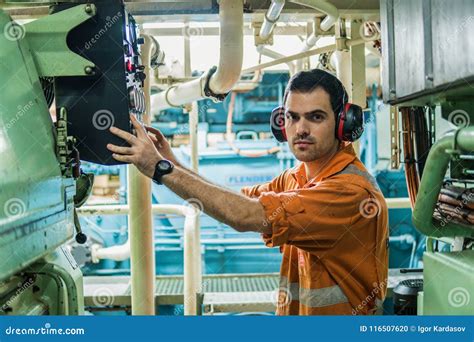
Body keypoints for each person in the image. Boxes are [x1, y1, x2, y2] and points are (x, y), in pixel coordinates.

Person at [107, 69, 388, 315]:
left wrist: (159, 168)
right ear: (281, 122)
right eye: (292, 117)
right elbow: (236, 199)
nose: (300, 129)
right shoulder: (299, 177)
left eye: (316, 117)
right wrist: (172, 163)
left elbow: (243, 215)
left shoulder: (349, 193)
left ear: (344, 123)